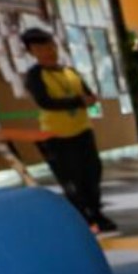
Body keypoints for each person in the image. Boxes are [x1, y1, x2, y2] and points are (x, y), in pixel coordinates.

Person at [21, 29, 113, 233]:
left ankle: (96, 213)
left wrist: (90, 100)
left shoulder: (70, 71)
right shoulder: (35, 76)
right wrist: (78, 101)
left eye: (50, 46)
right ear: (31, 52)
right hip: (56, 137)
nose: (47, 52)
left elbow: (88, 95)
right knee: (72, 180)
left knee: (92, 174)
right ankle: (83, 219)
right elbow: (45, 102)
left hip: (83, 131)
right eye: (40, 49)